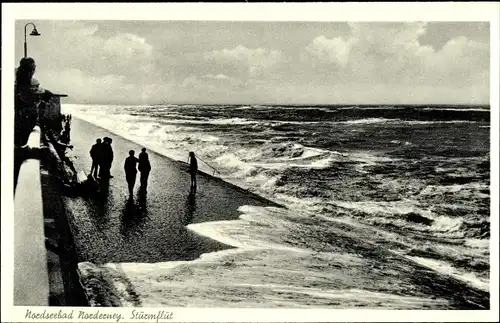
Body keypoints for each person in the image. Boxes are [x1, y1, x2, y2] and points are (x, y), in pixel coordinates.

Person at [14, 57, 53, 147]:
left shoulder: (25, 82)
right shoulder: (19, 85)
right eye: (31, 69)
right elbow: (28, 91)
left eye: (33, 69)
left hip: (27, 122)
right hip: (22, 122)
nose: (33, 72)